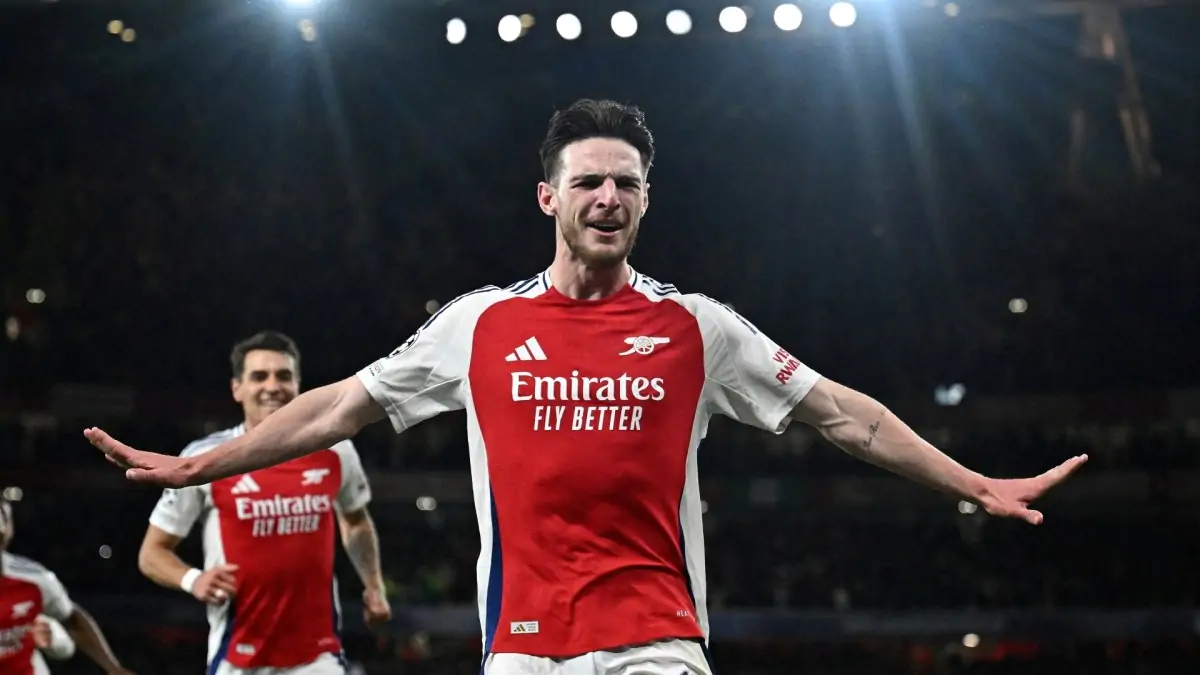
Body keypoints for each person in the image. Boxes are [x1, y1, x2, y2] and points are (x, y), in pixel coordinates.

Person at [85, 99, 1087, 675]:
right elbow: (339, 404)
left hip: (658, 638)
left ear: (646, 200)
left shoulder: (698, 327)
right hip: (524, 645)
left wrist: (974, 482)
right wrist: (206, 462)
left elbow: (844, 417)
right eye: (589, 181)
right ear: (548, 197)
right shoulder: (480, 323)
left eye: (626, 183)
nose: (608, 197)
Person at [134, 331, 390, 675]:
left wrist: (374, 586)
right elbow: (151, 553)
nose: (272, 386)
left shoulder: (336, 450)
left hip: (318, 657)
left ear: (297, 384)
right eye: (259, 376)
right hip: (237, 658)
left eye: (283, 376)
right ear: (237, 388)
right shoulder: (204, 459)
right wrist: (193, 580)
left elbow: (356, 521)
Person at [0, 495, 133, 675]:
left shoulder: (34, 579)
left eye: (4, 518)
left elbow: (73, 619)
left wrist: (113, 668)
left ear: (9, 530)